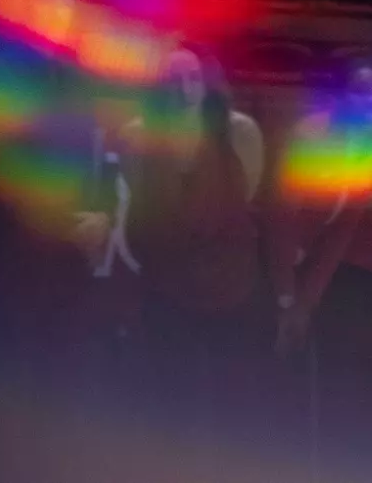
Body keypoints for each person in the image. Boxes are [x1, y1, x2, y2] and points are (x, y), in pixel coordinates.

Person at [268, 58, 372, 483]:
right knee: (338, 393)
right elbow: (290, 218)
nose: (369, 102)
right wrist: (290, 296)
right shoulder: (318, 142)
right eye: (359, 92)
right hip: (340, 279)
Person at [119, 44, 268, 449]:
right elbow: (144, 210)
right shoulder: (137, 137)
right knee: (173, 411)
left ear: (207, 83)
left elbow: (245, 201)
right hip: (166, 291)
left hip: (232, 289)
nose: (182, 88)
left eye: (192, 77)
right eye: (171, 79)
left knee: (233, 414)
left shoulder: (241, 133)